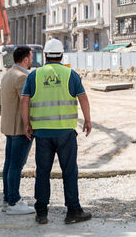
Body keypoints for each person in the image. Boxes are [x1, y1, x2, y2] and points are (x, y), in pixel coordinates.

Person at [20, 39, 93, 225]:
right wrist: (87, 120)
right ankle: (73, 211)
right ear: (61, 55)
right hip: (65, 133)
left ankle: (41, 213)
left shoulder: (34, 76)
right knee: (69, 172)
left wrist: (26, 123)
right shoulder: (70, 74)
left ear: (45, 55)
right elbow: (83, 98)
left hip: (42, 134)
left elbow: (24, 100)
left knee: (42, 172)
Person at [0, 46, 34, 215]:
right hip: (20, 127)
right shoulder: (22, 77)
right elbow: (25, 103)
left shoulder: (8, 74)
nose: (32, 60)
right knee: (16, 165)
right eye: (31, 57)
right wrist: (28, 124)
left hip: (9, 126)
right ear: (26, 59)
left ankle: (8, 199)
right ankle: (14, 201)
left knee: (9, 164)